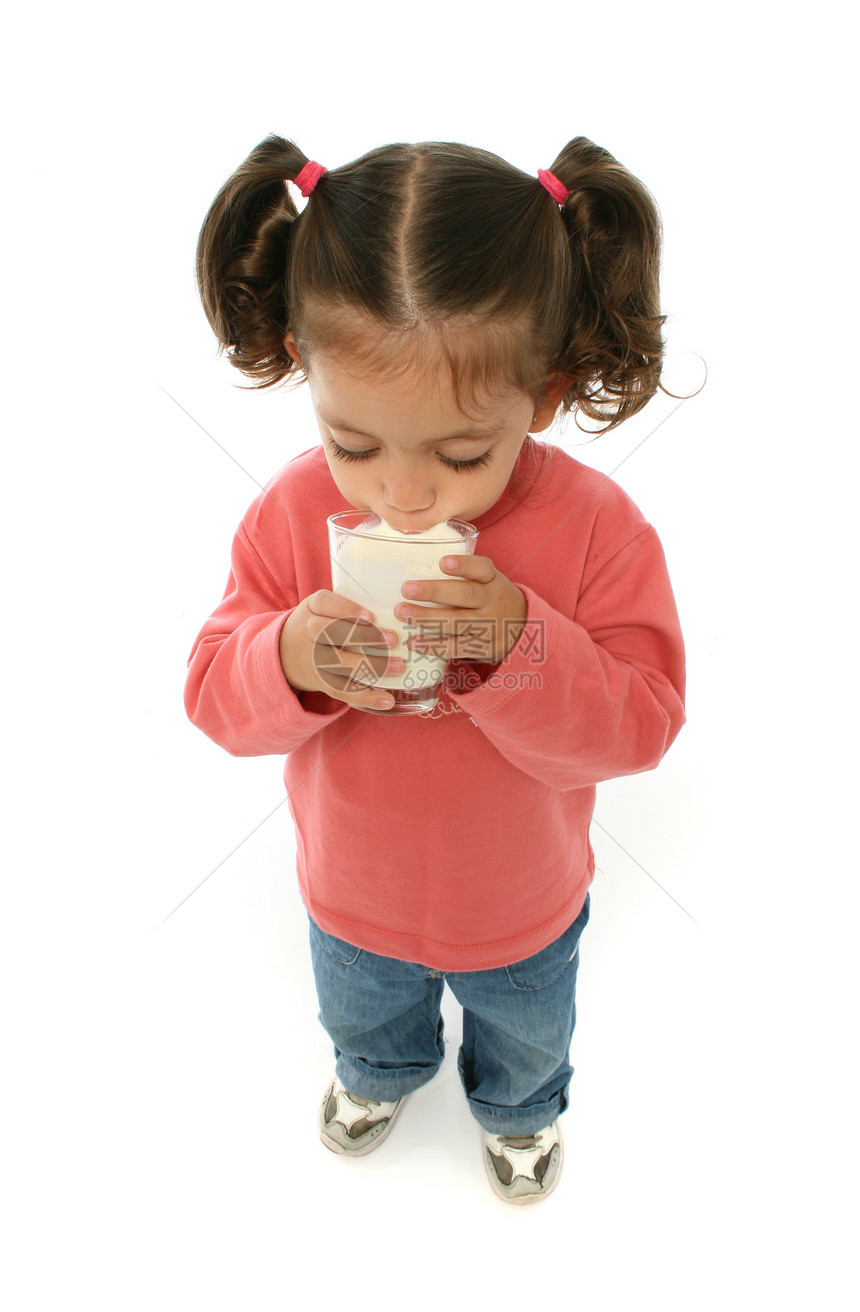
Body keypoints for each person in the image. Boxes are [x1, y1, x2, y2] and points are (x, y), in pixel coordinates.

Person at [184, 135, 686, 1205]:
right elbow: (212, 695)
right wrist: (291, 656)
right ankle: (379, 1075)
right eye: (351, 442)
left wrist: (518, 645)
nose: (405, 495)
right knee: (362, 1014)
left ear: (541, 398)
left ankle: (517, 1112)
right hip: (348, 897)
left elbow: (642, 723)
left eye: (461, 455)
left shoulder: (597, 530)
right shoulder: (286, 512)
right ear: (301, 366)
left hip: (523, 908)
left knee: (526, 1037)